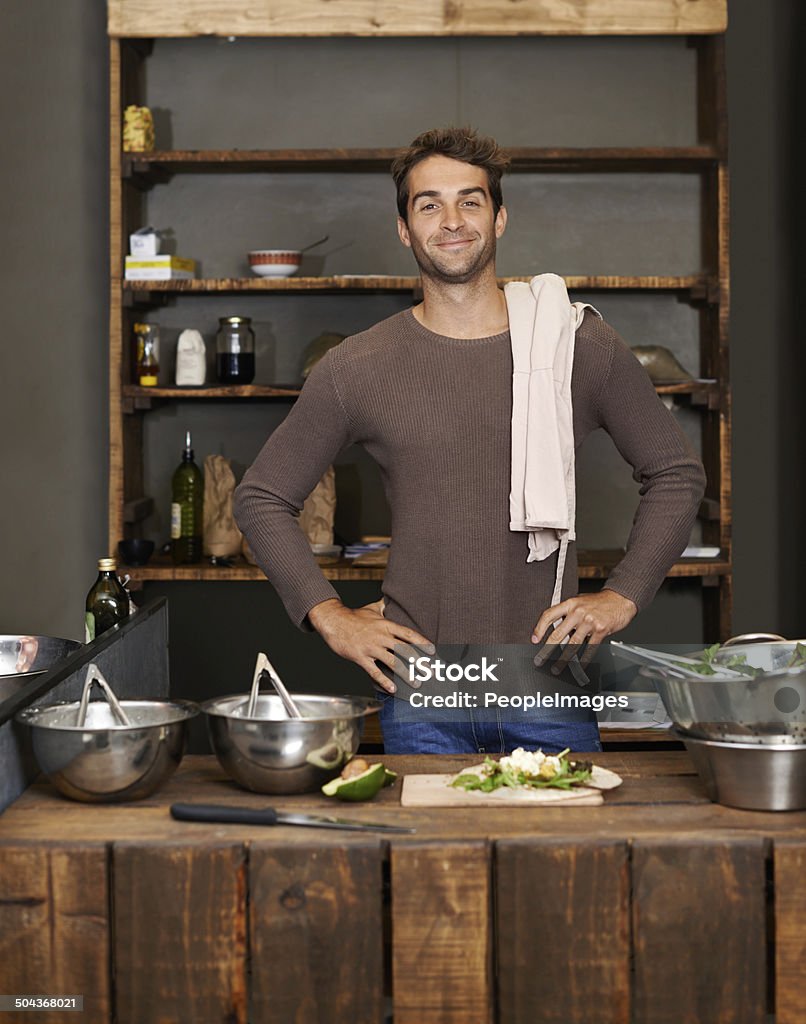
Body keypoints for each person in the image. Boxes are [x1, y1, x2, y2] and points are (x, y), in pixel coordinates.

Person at [233, 126, 706, 754]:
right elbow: (261, 498)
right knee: (432, 857)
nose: (451, 220)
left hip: (550, 686)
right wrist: (331, 618)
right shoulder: (357, 367)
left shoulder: (576, 345)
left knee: (560, 855)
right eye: (429, 204)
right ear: (404, 228)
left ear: (500, 217)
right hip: (423, 689)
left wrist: (623, 595)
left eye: (470, 201)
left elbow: (676, 472)